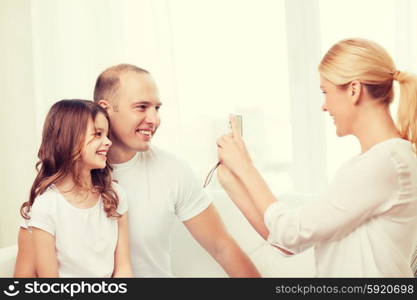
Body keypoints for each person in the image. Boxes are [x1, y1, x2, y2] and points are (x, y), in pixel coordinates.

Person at [216, 38, 417, 277]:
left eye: (325, 92)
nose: (324, 106)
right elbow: (286, 242)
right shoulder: (379, 162)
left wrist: (245, 166)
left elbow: (290, 232)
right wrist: (231, 181)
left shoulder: (386, 162)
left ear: (354, 90)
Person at [93, 64, 260, 277]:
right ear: (105, 109)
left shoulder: (172, 170)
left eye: (157, 108)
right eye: (142, 107)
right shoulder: (71, 174)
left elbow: (222, 246)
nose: (154, 120)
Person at [14, 100, 132, 277]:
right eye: (98, 134)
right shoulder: (47, 205)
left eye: (107, 135)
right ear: (69, 139)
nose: (108, 142)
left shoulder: (115, 195)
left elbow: (123, 268)